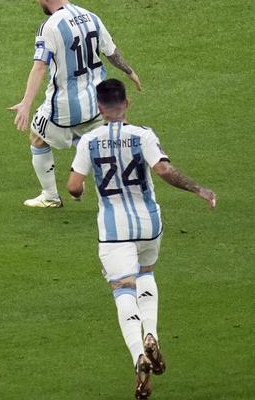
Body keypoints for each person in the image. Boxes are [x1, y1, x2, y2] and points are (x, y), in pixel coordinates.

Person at [67, 79, 216, 399]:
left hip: (113, 231)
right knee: (146, 273)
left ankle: (139, 355)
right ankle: (151, 334)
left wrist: (78, 195)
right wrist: (198, 189)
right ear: (127, 104)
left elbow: (73, 185)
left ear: (98, 108)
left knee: (123, 289)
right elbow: (163, 170)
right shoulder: (143, 135)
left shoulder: (89, 140)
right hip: (150, 225)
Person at [10, 0, 142, 208]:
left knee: (37, 138)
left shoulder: (49, 26)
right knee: (102, 142)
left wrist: (26, 103)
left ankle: (50, 197)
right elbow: (110, 51)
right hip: (96, 103)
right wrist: (129, 71)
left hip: (64, 107)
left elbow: (40, 66)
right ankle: (120, 192)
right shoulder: (91, 16)